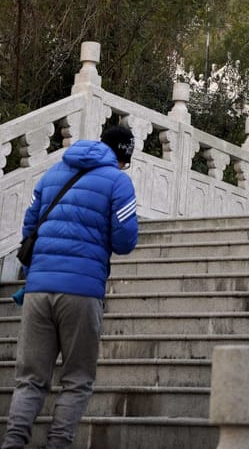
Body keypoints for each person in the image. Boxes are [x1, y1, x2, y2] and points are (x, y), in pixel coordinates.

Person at [1, 125, 139, 449]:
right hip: (81, 291)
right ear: (123, 156)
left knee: (30, 380)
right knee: (77, 380)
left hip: (38, 290)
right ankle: (58, 444)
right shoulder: (118, 181)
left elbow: (29, 226)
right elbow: (124, 241)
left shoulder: (51, 174)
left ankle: (12, 442)